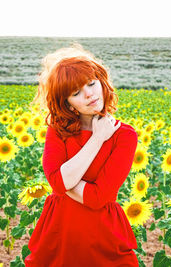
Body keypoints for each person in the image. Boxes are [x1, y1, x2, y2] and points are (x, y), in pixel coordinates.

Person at [25, 43, 139, 267]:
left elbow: (97, 198)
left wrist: (66, 180)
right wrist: (97, 138)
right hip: (60, 231)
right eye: (76, 93)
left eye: (91, 84)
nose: (89, 94)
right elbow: (57, 183)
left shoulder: (124, 135)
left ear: (102, 81)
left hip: (103, 234)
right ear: (66, 102)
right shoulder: (58, 129)